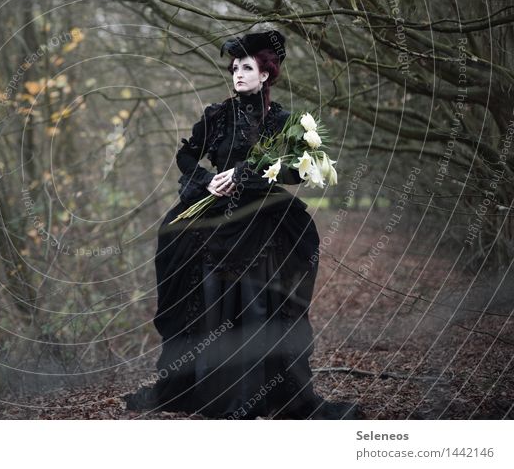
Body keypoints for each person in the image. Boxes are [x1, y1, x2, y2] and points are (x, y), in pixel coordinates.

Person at [122, 30, 360, 420]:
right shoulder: (216, 116)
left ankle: (263, 394)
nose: (237, 74)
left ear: (265, 74)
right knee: (211, 301)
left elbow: (297, 172)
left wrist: (250, 173)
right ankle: (215, 394)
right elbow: (186, 156)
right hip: (215, 217)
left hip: (264, 222)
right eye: (234, 68)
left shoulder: (286, 122)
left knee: (258, 305)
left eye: (246, 68)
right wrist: (205, 181)